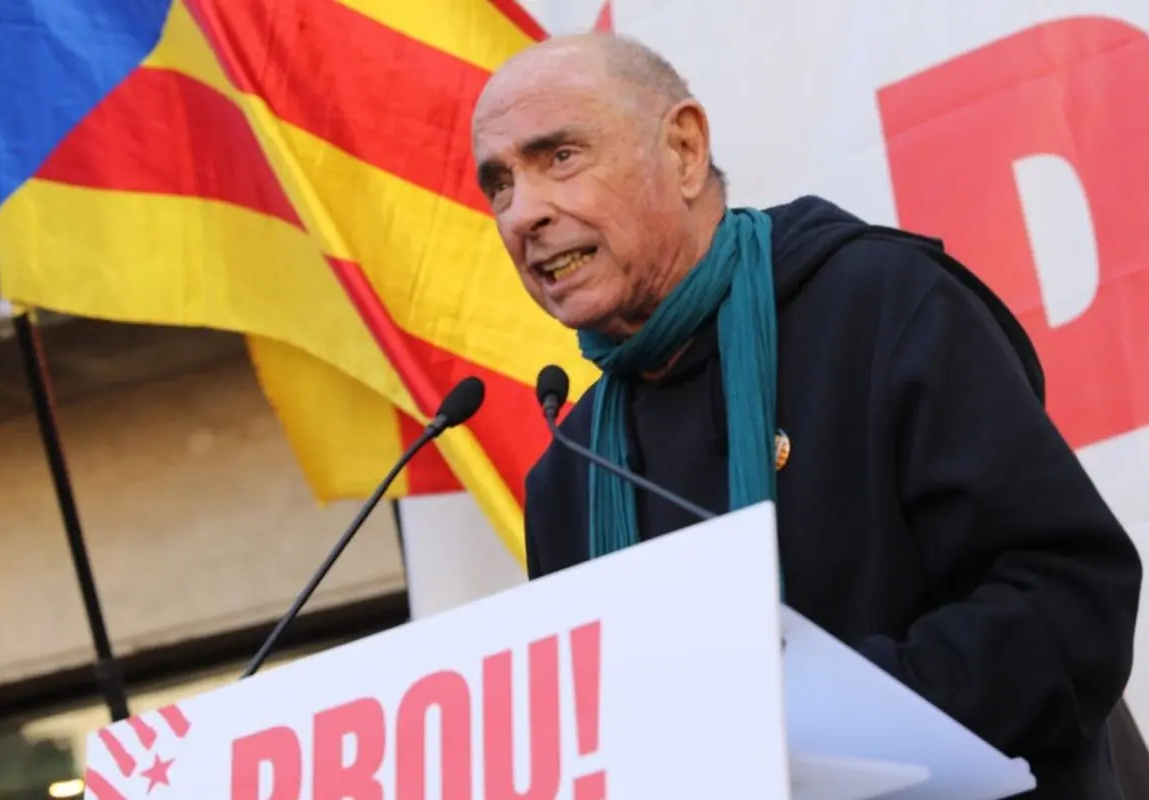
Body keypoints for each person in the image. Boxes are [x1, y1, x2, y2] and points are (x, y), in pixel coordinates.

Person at [471, 32, 1143, 799]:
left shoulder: (884, 305)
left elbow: (1070, 603)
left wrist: (808, 728)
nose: (523, 214)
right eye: (499, 185)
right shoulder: (568, 475)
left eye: (560, 157)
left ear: (684, 149)